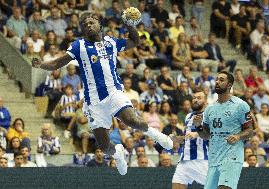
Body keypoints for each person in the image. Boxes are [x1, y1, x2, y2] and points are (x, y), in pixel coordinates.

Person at [32, 11, 173, 175]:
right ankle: (118, 153)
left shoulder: (111, 42)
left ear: (100, 25)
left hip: (114, 92)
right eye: (84, 25)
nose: (88, 25)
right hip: (93, 102)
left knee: (133, 121)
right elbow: (57, 62)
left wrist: (130, 25)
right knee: (105, 148)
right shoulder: (79, 46)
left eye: (91, 22)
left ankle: (159, 137)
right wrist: (41, 64)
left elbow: (135, 41)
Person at [194, 71, 253, 189]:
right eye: (216, 79)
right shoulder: (210, 108)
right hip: (214, 158)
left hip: (232, 156)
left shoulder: (240, 105)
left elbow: (250, 131)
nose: (217, 82)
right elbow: (206, 135)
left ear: (229, 85)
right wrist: (198, 126)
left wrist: (238, 136)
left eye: (221, 80)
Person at [172, 89, 209, 189]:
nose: (195, 100)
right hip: (184, 160)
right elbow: (187, 138)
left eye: (199, 98)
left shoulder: (209, 115)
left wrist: (196, 133)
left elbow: (211, 134)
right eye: (194, 98)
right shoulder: (188, 116)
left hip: (200, 160)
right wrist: (175, 139)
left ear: (206, 102)